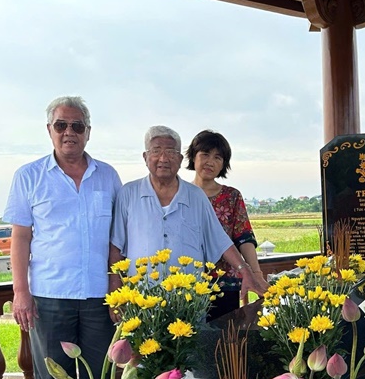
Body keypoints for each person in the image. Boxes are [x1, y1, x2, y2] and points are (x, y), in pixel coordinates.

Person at [5, 95, 121, 379]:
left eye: (77, 126)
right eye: (61, 125)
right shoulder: (29, 176)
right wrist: (20, 292)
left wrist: (116, 284)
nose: (69, 132)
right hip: (50, 295)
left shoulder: (107, 176)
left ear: (88, 132)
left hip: (99, 295)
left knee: (101, 377)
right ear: (49, 130)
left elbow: (116, 237)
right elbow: (20, 238)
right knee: (55, 377)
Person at [109, 126, 268, 301]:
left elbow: (220, 240)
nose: (163, 158)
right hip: (142, 300)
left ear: (179, 159)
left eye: (170, 152)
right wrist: (116, 296)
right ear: (145, 157)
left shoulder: (197, 196)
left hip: (189, 301)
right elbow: (116, 247)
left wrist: (247, 272)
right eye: (156, 151)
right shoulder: (128, 194)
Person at [185, 129, 262, 319]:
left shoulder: (231, 196)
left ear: (223, 164)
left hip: (225, 282)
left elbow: (244, 237)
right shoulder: (180, 194)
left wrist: (256, 273)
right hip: (186, 282)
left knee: (225, 334)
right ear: (193, 157)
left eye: (217, 157)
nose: (210, 162)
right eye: (205, 154)